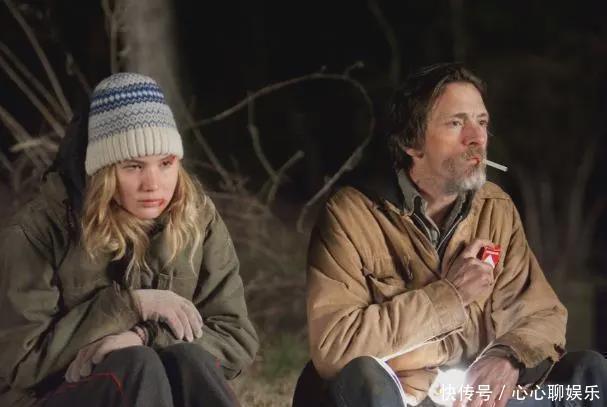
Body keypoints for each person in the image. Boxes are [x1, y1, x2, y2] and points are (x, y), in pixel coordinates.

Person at [293, 63, 607, 406]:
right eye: (456, 123)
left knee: (589, 374)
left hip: (476, 397)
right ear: (412, 142)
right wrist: (449, 295)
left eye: (482, 122)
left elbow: (542, 314)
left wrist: (508, 357)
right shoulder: (352, 214)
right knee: (364, 379)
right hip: (404, 395)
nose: (477, 138)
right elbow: (336, 345)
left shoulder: (495, 208)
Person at [0, 72, 259, 407]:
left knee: (188, 358)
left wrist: (143, 335)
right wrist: (132, 306)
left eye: (165, 163)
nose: (153, 184)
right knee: (137, 366)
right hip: (52, 397)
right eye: (134, 166)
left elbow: (235, 337)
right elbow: (21, 365)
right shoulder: (39, 231)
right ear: (103, 171)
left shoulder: (197, 219)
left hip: (150, 390)